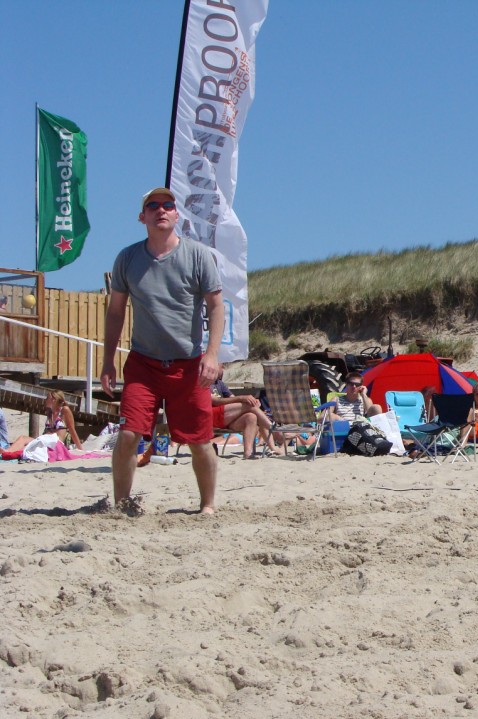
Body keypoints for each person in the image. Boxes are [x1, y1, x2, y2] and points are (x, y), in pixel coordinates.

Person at [101, 187, 225, 515]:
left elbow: (216, 307)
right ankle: (121, 506)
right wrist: (107, 360)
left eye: (168, 205)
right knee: (128, 434)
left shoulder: (198, 255)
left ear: (176, 215)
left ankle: (208, 506)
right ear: (142, 217)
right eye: (153, 206)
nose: (161, 210)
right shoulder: (128, 258)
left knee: (199, 440)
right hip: (144, 363)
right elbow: (115, 312)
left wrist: (212, 355)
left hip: (188, 364)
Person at [210, 374, 278, 458]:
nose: (222, 369)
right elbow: (216, 401)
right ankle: (270, 426)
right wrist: (243, 399)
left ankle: (248, 453)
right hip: (210, 418)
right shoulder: (202, 382)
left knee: (251, 417)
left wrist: (250, 401)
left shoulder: (219, 383)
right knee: (249, 405)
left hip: (225, 418)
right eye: (220, 366)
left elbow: (233, 399)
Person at [6, 390, 84, 452]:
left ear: (54, 399)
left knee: (28, 447)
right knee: (23, 438)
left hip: (55, 443)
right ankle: (6, 452)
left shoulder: (64, 410)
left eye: (47, 398)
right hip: (46, 439)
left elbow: (72, 429)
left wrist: (81, 449)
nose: (45, 400)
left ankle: (8, 452)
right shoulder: (49, 412)